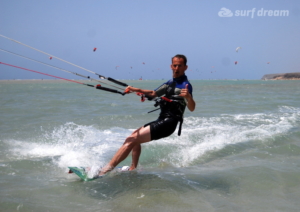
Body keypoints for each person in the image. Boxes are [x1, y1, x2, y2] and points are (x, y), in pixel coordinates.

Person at [99, 54, 196, 175]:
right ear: (171, 66)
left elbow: (191, 108)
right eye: (175, 65)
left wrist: (188, 97)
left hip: (169, 123)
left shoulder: (185, 86)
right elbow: (153, 93)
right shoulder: (170, 82)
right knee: (135, 136)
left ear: (185, 67)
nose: (176, 68)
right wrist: (135, 90)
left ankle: (105, 170)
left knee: (131, 139)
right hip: (162, 119)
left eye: (180, 66)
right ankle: (133, 169)